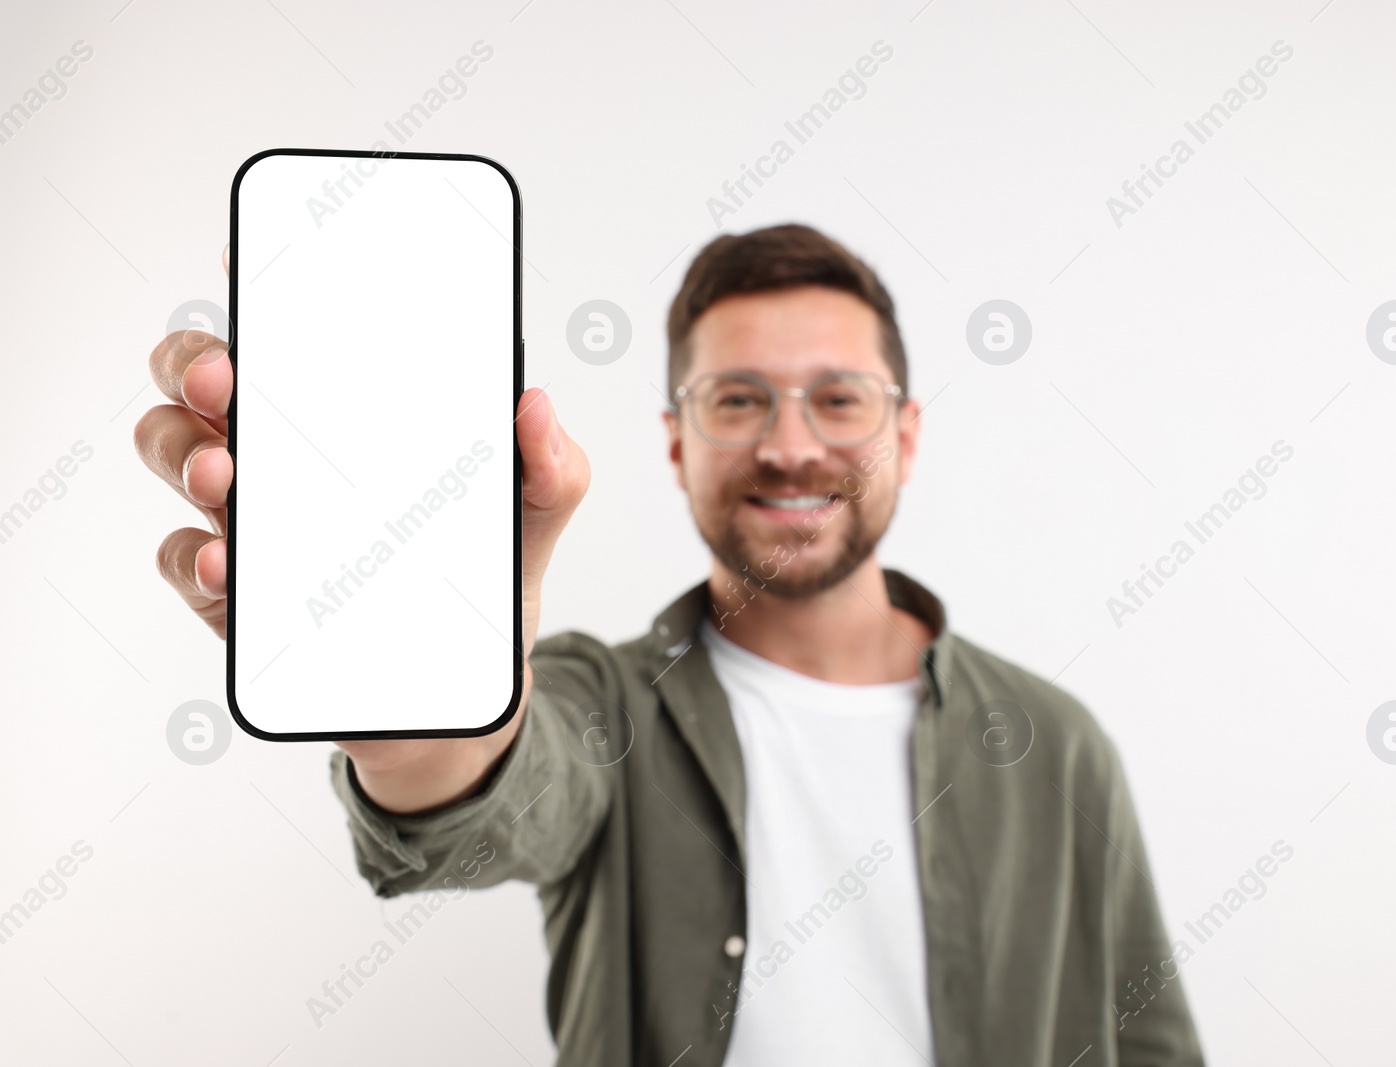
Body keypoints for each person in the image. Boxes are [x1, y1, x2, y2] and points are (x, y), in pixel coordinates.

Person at [136, 223, 1205, 1065]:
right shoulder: (604, 706)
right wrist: (418, 693)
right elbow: (489, 791)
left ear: (906, 434)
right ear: (677, 440)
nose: (790, 445)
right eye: (738, 399)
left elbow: (1151, 1046)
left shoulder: (1057, 745)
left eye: (838, 397)